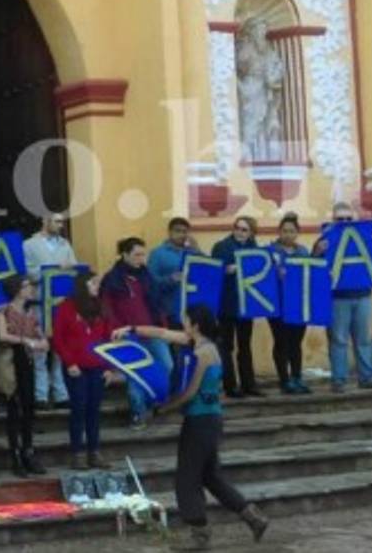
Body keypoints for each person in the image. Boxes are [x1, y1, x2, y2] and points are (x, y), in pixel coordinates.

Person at [118, 304, 270, 550]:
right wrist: (131, 329)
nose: (183, 323)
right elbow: (161, 333)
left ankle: (200, 534)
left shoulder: (203, 353)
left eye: (186, 319)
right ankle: (254, 518)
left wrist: (163, 409)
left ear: (195, 325)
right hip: (208, 420)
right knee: (211, 476)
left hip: (201, 421)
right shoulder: (198, 343)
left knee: (187, 478)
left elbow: (189, 393)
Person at [101, 237, 173, 431]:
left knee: (167, 366)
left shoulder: (147, 276)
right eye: (137, 255)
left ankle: (151, 402)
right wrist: (116, 330)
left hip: (152, 331)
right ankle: (138, 414)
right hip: (127, 334)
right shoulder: (112, 279)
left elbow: (157, 303)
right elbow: (107, 309)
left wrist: (163, 326)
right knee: (135, 376)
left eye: (143, 254)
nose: (141, 259)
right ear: (125, 255)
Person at [314, 202, 372, 393]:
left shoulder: (368, 237)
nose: (345, 222)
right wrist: (317, 252)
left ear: (354, 219)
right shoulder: (324, 239)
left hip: (364, 296)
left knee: (363, 339)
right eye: (340, 219)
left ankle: (366, 378)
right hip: (337, 298)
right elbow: (314, 268)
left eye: (348, 219)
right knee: (338, 340)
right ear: (333, 220)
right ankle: (339, 380)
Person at [51, 270, 117, 470]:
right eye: (93, 283)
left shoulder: (102, 307)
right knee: (78, 409)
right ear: (83, 285)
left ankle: (94, 451)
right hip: (76, 368)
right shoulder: (66, 307)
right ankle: (77, 453)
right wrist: (70, 362)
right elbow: (58, 338)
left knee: (94, 411)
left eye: (98, 283)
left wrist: (109, 367)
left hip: (97, 367)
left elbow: (108, 338)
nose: (97, 286)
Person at [0, 274, 48, 478]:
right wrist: (26, 341)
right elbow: (2, 335)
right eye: (27, 286)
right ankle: (15, 454)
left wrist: (40, 342)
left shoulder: (31, 312)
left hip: (27, 361)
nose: (31, 289)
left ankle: (28, 450)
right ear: (17, 289)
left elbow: (42, 338)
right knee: (14, 409)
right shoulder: (4, 311)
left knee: (28, 408)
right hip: (11, 360)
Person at [23, 213, 76, 410]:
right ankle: (41, 395)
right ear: (45, 221)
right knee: (40, 350)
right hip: (39, 302)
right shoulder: (29, 245)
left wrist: (68, 270)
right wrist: (52, 269)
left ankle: (61, 394)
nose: (60, 225)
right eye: (56, 221)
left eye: (62, 222)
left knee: (59, 350)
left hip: (61, 303)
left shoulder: (65, 244)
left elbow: (74, 268)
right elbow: (27, 271)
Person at [209, 216, 264, 398]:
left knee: (245, 345)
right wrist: (225, 270)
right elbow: (212, 272)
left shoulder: (254, 249)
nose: (239, 232)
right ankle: (230, 385)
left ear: (251, 233)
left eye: (244, 229)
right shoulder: (221, 246)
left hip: (246, 305)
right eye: (237, 228)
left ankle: (249, 384)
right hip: (226, 303)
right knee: (226, 346)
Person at [148, 217, 202, 393]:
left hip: (191, 312)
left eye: (185, 231)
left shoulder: (192, 252)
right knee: (174, 353)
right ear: (169, 232)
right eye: (178, 231)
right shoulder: (158, 254)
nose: (181, 235)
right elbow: (150, 283)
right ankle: (174, 390)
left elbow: (207, 270)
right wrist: (170, 279)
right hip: (170, 311)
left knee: (192, 351)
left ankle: (191, 386)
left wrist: (197, 250)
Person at [269, 214, 311, 395]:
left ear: (297, 233)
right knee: (281, 342)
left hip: (298, 305)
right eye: (285, 231)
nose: (288, 234)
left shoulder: (303, 251)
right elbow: (261, 276)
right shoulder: (270, 251)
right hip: (277, 305)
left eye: (292, 231)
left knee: (296, 342)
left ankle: (297, 377)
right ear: (279, 232)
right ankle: (284, 380)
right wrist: (274, 273)